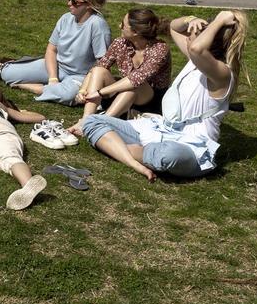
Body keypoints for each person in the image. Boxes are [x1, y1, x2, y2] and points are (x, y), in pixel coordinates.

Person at [81, 10, 248, 181]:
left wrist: (219, 20)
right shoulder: (195, 60)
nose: (188, 35)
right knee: (92, 120)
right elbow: (174, 28)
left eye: (193, 34)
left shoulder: (223, 74)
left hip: (191, 146)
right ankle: (133, 160)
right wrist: (191, 19)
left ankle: (115, 146)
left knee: (169, 154)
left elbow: (197, 49)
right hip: (161, 129)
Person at [0, 0, 112, 105]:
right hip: (57, 66)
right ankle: (52, 88)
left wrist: (84, 87)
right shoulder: (65, 18)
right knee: (7, 73)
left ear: (89, 5)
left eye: (75, 2)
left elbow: (101, 65)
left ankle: (30, 87)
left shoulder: (98, 25)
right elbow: (51, 50)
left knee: (69, 95)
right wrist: (53, 78)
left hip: (80, 76)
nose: (69, 3)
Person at [69, 8, 172, 134]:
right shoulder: (120, 43)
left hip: (150, 100)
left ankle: (100, 123)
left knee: (134, 86)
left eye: (123, 24)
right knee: (99, 70)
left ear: (135, 32)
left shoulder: (160, 49)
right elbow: (99, 67)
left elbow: (136, 79)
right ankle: (86, 120)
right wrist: (83, 90)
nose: (119, 26)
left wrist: (100, 93)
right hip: (124, 94)